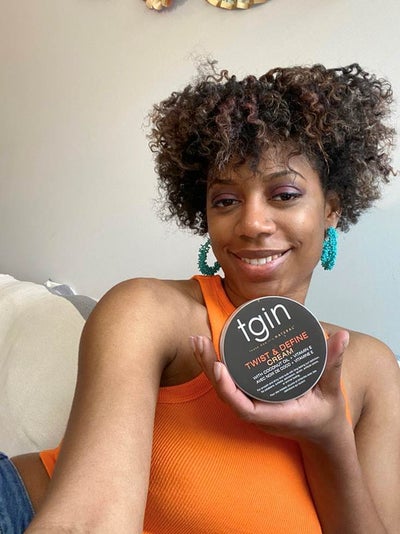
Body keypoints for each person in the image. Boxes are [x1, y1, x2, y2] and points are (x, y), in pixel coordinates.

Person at [1, 62, 399, 534]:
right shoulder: (148, 311)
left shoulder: (371, 369)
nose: (252, 223)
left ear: (331, 208)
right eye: (226, 201)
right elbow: (86, 524)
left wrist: (327, 437)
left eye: (284, 194)